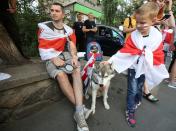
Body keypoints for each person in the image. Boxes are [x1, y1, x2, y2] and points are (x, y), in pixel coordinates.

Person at [102, 2, 169, 127]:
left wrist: (147, 55)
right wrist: (110, 60)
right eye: (137, 22)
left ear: (153, 20)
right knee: (132, 90)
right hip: (134, 67)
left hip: (145, 68)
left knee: (139, 87)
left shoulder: (157, 36)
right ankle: (130, 111)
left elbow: (158, 54)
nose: (138, 25)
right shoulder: (133, 35)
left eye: (142, 23)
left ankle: (138, 100)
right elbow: (124, 51)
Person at [38, 3, 89, 131]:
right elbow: (43, 48)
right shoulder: (44, 28)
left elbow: (72, 45)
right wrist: (53, 57)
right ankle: (81, 109)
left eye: (57, 11)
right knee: (60, 75)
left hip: (65, 55)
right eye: (52, 10)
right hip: (50, 56)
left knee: (76, 70)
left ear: (62, 14)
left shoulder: (68, 30)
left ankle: (78, 112)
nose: (53, 13)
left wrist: (74, 57)